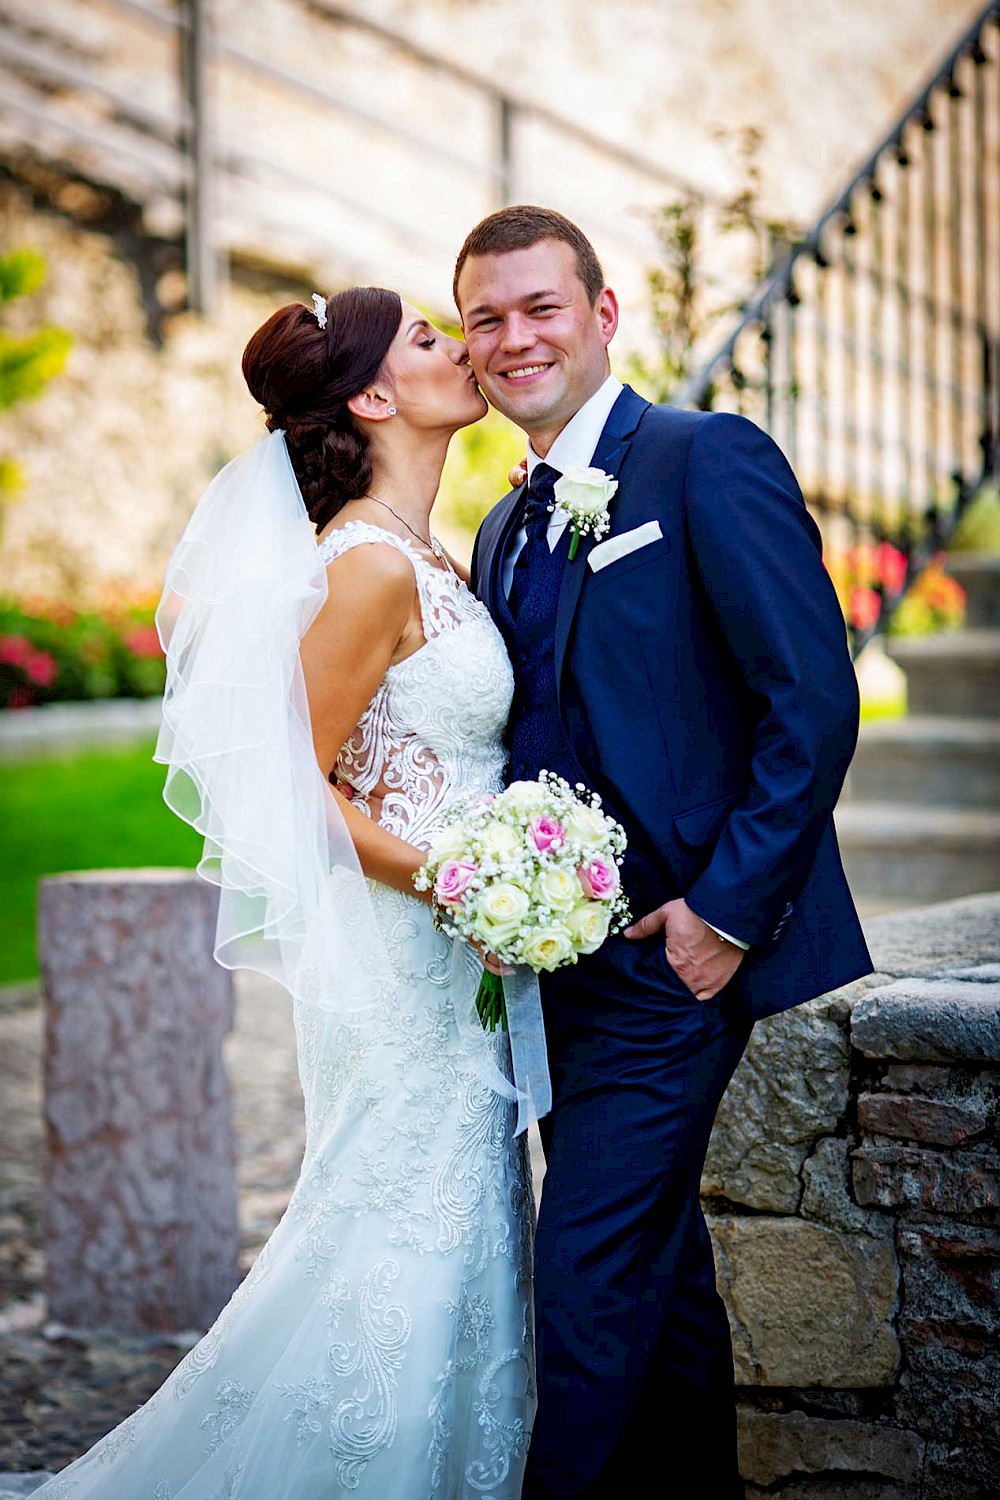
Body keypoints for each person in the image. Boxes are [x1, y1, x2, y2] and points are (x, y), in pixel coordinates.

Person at [24, 289, 535, 1499]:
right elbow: (298, 790)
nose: (459, 348)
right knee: (401, 1211)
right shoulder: (362, 566)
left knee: (459, 1214)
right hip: (412, 952)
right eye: (426, 337)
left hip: (456, 949)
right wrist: (465, 882)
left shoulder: (428, 550)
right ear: (369, 397)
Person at [456, 205, 874, 1499]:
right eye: (486, 319)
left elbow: (810, 699)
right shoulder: (503, 527)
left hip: (672, 966)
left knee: (581, 1284)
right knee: (657, 1283)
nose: (513, 338)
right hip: (558, 976)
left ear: (602, 314)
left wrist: (724, 914)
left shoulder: (703, 459)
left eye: (539, 307)